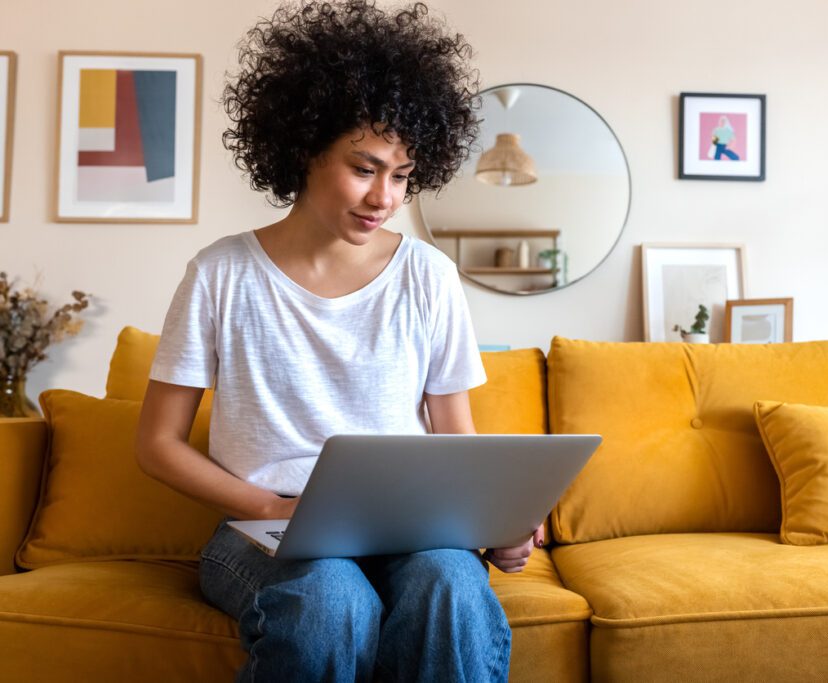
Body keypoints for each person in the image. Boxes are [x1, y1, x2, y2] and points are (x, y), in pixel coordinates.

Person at [134, 2, 539, 681]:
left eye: (403, 175)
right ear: (302, 146)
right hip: (262, 534)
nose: (384, 196)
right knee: (329, 598)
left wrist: (492, 521)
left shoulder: (429, 276)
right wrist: (269, 505)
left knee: (451, 583)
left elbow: (454, 436)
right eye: (364, 166)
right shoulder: (220, 274)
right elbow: (157, 442)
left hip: (409, 531)